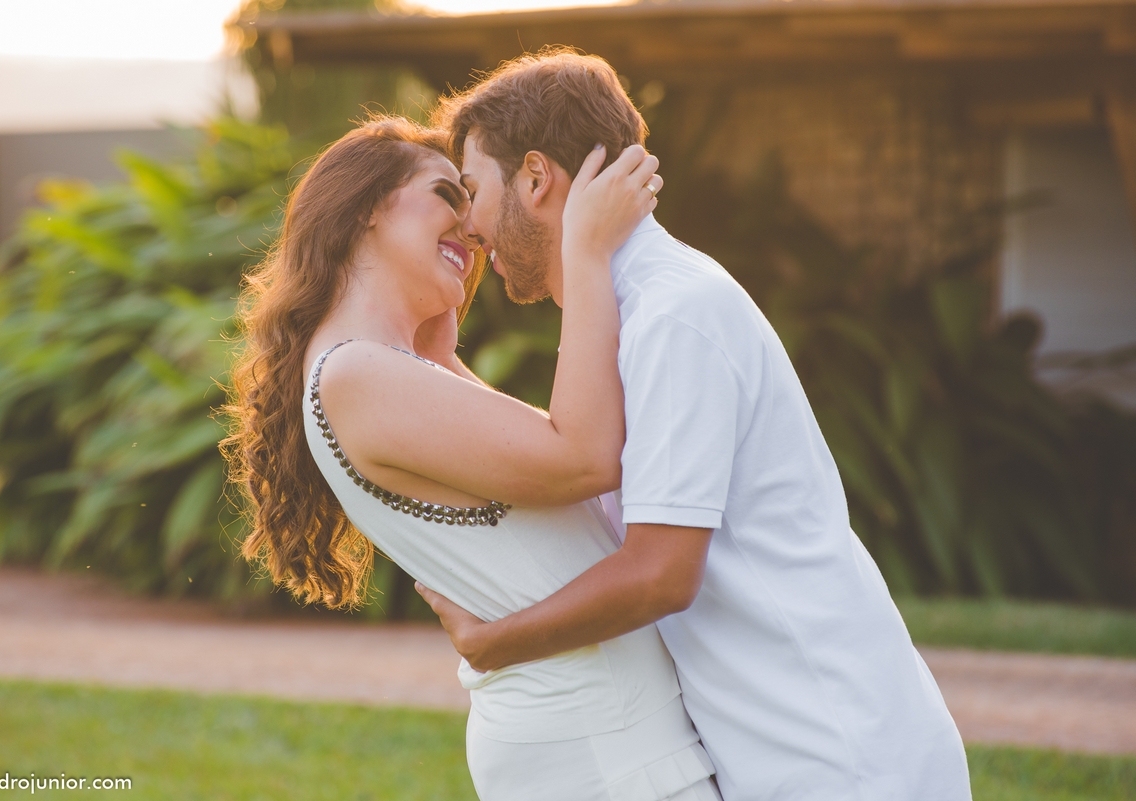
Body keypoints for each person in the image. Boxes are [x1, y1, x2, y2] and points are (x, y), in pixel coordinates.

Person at [416, 50, 974, 801]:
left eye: (474, 189)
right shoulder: (626, 310)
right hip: (786, 751)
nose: (470, 224)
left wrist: (494, 643)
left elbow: (660, 571)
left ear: (536, 178)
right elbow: (563, 459)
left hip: (837, 755)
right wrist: (436, 362)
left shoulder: (674, 314)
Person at [223, 115, 722, 801]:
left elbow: (540, 490)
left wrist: (440, 356)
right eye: (444, 195)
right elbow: (584, 457)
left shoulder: (373, 370)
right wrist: (585, 250)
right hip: (599, 751)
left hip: (602, 742)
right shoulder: (355, 374)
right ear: (367, 208)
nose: (472, 225)